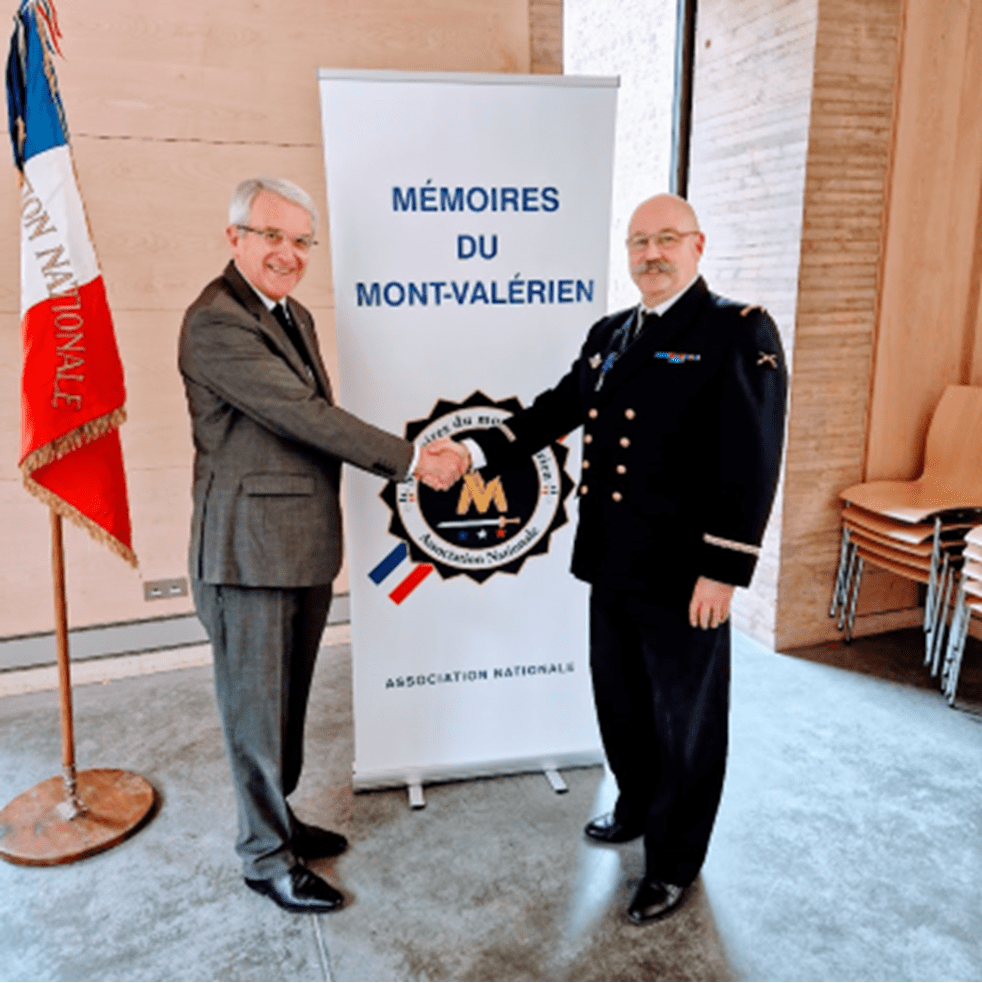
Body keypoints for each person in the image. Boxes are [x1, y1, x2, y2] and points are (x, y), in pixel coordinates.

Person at [455, 193, 787, 922]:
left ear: (697, 245)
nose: (651, 254)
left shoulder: (736, 329)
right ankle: (636, 804)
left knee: (685, 721)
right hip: (611, 559)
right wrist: (477, 452)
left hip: (686, 573)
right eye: (639, 241)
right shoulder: (610, 333)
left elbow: (753, 458)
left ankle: (673, 861)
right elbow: (557, 408)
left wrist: (724, 570)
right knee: (622, 701)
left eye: (666, 238)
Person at [178, 177, 467, 914]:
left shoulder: (292, 314)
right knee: (254, 717)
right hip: (246, 553)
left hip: (300, 544)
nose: (289, 253)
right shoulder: (216, 322)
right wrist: (413, 460)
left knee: (285, 706)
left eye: (302, 241)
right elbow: (304, 415)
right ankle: (264, 857)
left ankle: (281, 819)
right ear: (235, 237)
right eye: (272, 235)